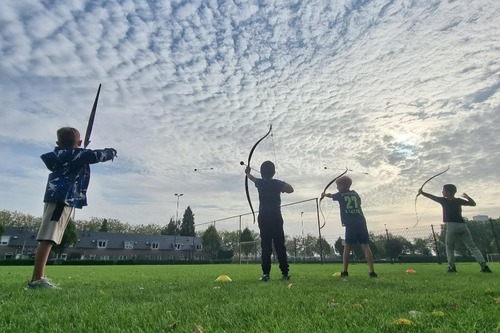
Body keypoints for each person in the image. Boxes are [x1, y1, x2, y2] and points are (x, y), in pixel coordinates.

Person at [28, 127, 117, 289]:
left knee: (50, 237)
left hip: (59, 198)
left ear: (58, 143)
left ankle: (38, 278)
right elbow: (98, 155)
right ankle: (36, 280)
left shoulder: (64, 155)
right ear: (79, 142)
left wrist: (80, 149)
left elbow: (84, 155)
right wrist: (112, 151)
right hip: (61, 198)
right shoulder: (75, 154)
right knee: (48, 237)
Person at [418, 184, 492, 273]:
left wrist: (422, 193)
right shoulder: (459, 201)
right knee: (472, 247)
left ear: (448, 193)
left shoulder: (444, 201)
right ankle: (484, 267)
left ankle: (452, 268)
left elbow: (432, 197)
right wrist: (468, 197)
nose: (442, 192)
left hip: (452, 226)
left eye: (444, 190)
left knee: (450, 248)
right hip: (463, 225)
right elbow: (473, 204)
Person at [245, 161, 294, 281]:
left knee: (266, 246)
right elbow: (291, 189)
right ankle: (285, 274)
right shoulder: (277, 184)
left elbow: (252, 178)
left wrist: (247, 173)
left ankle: (266, 274)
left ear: (261, 173)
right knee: (279, 246)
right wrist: (281, 183)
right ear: (273, 172)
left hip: (264, 218)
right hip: (276, 218)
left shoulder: (260, 183)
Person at [322, 176, 377, 278]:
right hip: (361, 222)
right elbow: (359, 203)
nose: (337, 187)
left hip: (350, 223)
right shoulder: (355, 194)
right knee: (365, 245)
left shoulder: (341, 194)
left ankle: (345, 271)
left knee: (347, 246)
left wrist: (324, 195)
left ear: (342, 185)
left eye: (338, 185)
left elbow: (331, 195)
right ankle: (372, 271)